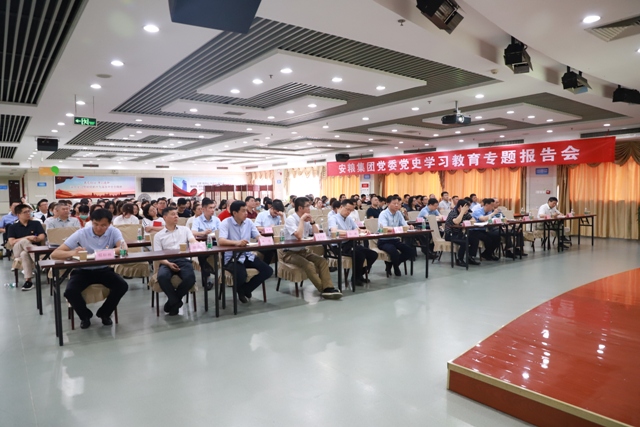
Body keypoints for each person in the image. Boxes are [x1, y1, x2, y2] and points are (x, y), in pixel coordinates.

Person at [51, 209, 128, 329]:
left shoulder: (114, 231)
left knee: (122, 286)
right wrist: (73, 252)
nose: (99, 228)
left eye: (103, 225)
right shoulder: (82, 233)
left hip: (103, 270)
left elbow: (123, 248)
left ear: (109, 224)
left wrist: (101, 253)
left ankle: (104, 313)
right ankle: (85, 316)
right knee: (70, 292)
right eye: (96, 224)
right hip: (83, 271)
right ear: (91, 222)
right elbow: (55, 254)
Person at [282, 197, 342, 299]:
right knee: (309, 265)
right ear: (300, 208)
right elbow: (299, 235)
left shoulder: (307, 219)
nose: (309, 208)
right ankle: (324, 289)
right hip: (289, 253)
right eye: (307, 206)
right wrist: (302, 220)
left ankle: (328, 287)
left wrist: (312, 222)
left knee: (322, 261)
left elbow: (317, 234)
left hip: (303, 251)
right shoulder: (291, 219)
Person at [218, 201, 273, 303]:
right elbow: (221, 240)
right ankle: (241, 290)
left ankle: (245, 289)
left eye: (246, 210)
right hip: (232, 258)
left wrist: (265, 240)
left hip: (247, 255)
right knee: (241, 274)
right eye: (243, 211)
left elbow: (257, 236)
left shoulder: (248, 222)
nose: (246, 213)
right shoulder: (226, 223)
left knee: (268, 270)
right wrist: (237, 243)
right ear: (235, 213)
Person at [153, 207, 198, 315]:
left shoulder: (185, 230)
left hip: (183, 260)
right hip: (167, 261)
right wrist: (168, 264)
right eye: (173, 214)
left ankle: (172, 302)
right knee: (162, 277)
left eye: (177, 214)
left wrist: (196, 243)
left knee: (190, 278)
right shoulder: (158, 235)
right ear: (165, 217)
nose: (176, 216)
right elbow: (158, 255)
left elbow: (192, 240)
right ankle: (176, 302)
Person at [328, 199, 377, 285]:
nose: (348, 212)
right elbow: (334, 231)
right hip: (339, 245)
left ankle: (359, 275)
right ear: (341, 207)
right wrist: (349, 232)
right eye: (347, 209)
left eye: (350, 210)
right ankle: (356, 278)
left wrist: (364, 231)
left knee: (373, 254)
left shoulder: (349, 219)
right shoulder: (333, 218)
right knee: (359, 255)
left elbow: (357, 229)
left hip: (350, 243)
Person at [7, 203, 46, 291]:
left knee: (24, 254)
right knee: (24, 241)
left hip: (32, 248)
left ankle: (28, 281)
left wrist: (35, 239)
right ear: (18, 215)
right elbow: (12, 242)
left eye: (29, 211)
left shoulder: (36, 223)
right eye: (25, 212)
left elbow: (42, 236)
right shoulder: (12, 227)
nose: (28, 213)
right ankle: (38, 262)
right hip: (17, 249)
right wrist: (28, 238)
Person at [377, 196, 414, 277]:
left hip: (395, 239)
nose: (397, 205)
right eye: (394, 203)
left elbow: (404, 224)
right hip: (384, 241)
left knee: (410, 251)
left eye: (398, 204)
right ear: (388, 204)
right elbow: (384, 228)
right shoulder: (383, 214)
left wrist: (409, 226)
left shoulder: (398, 213)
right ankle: (396, 268)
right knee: (394, 252)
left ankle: (392, 264)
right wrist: (398, 228)